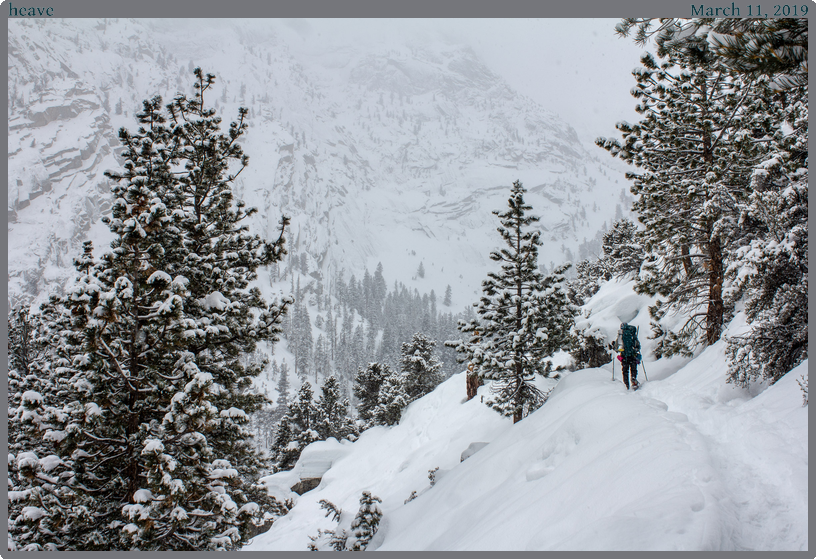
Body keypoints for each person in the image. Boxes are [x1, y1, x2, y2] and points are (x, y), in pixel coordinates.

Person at [615, 322, 641, 390]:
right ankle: (634, 379)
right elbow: (637, 345)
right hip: (633, 355)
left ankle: (626, 385)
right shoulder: (632, 334)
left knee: (625, 371)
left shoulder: (620, 335)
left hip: (624, 357)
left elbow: (616, 348)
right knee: (633, 369)